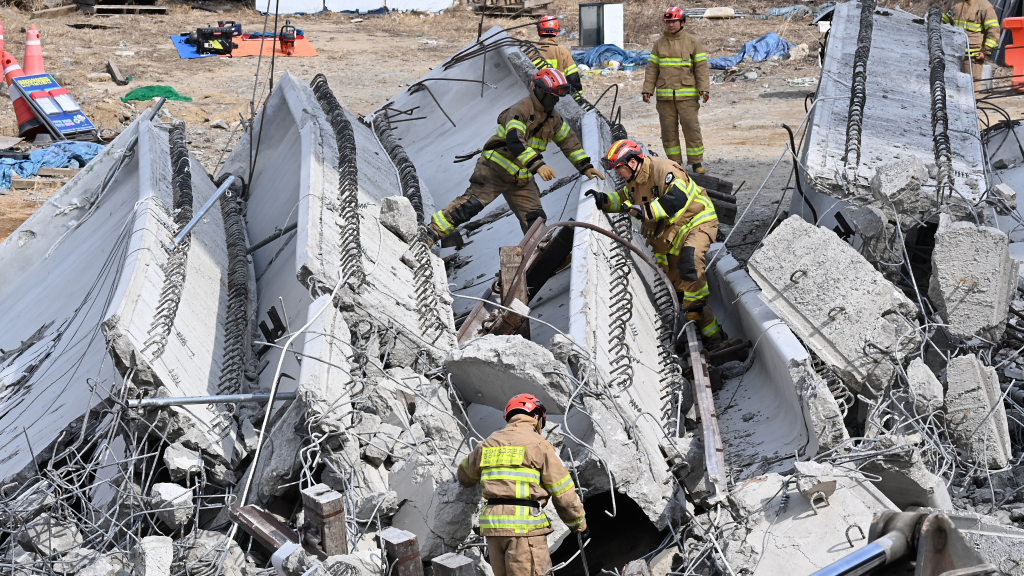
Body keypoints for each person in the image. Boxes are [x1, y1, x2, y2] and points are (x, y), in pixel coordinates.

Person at [425, 69, 604, 247]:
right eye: (552, 96)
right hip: (495, 171)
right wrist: (538, 165)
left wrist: (584, 166)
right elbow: (515, 140)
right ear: (540, 91)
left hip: (521, 178)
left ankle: (540, 250)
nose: (555, 100)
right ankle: (431, 233)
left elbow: (569, 142)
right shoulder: (521, 110)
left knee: (534, 217)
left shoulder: (553, 118)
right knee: (469, 206)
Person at [587, 139, 725, 345]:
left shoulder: (666, 170)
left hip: (697, 222)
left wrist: (644, 212)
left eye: (619, 168)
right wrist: (603, 201)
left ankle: (696, 306)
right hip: (672, 234)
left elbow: (677, 200)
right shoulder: (634, 180)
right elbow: (624, 198)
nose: (617, 173)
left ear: (633, 162)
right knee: (680, 295)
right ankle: (714, 338)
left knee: (690, 258)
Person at [457, 394, 588, 576]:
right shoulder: (540, 446)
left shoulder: (487, 445)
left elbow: (464, 476)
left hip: (494, 531)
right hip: (524, 531)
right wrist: (579, 525)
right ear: (536, 417)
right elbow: (563, 493)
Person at [642, 6, 710, 175]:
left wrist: (704, 89)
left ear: (683, 22)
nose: (670, 25)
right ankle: (675, 163)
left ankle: (696, 162)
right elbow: (652, 69)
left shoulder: (693, 42)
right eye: (668, 22)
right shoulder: (659, 45)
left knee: (691, 128)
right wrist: (647, 90)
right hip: (665, 98)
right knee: (668, 131)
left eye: (673, 22)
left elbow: (701, 68)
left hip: (687, 96)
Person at [943, 0, 1001, 83]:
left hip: (972, 58)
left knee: (970, 87)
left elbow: (994, 30)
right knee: (952, 86)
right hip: (953, 55)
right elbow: (943, 23)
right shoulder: (953, 3)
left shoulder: (985, 6)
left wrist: (985, 50)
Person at [531, 16, 584, 101]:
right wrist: (578, 100)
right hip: (559, 97)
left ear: (539, 31)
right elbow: (573, 79)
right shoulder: (563, 51)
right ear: (557, 31)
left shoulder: (532, 52)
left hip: (538, 98)